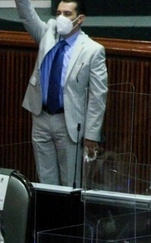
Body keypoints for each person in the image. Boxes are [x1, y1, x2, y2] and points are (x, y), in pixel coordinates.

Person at [15, 0, 107, 187]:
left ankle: (68, 216)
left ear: (80, 19)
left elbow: (98, 96)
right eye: (58, 13)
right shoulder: (47, 33)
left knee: (70, 182)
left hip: (69, 121)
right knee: (45, 179)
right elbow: (27, 15)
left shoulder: (93, 50)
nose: (60, 18)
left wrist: (91, 134)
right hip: (41, 116)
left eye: (67, 14)